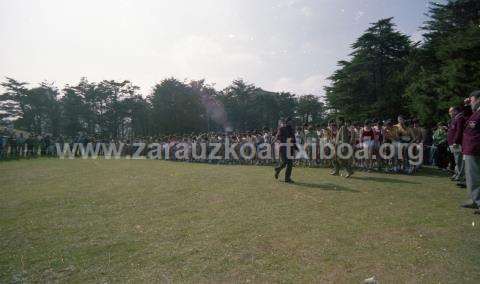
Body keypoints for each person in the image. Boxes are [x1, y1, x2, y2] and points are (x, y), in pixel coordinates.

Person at [460, 91, 480, 214]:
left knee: (474, 177)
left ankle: (478, 201)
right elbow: (465, 118)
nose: (470, 102)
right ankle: (474, 199)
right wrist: (465, 105)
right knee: (471, 177)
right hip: (470, 149)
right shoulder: (476, 113)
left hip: (475, 149)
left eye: (471, 100)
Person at [274, 117, 297, 183]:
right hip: (283, 147)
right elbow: (278, 137)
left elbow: (294, 139)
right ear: (286, 122)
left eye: (291, 121)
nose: (291, 122)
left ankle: (287, 178)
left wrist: (296, 147)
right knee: (285, 162)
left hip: (290, 148)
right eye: (289, 121)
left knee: (290, 164)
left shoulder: (292, 130)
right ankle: (278, 169)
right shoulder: (282, 128)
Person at [447, 106, 466, 182]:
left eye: (450, 111)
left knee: (459, 160)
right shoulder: (455, 119)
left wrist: (456, 141)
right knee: (456, 160)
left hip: (456, 143)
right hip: (452, 143)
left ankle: (460, 175)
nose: (449, 113)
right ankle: (456, 174)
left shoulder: (460, 118)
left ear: (455, 111)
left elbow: (459, 131)